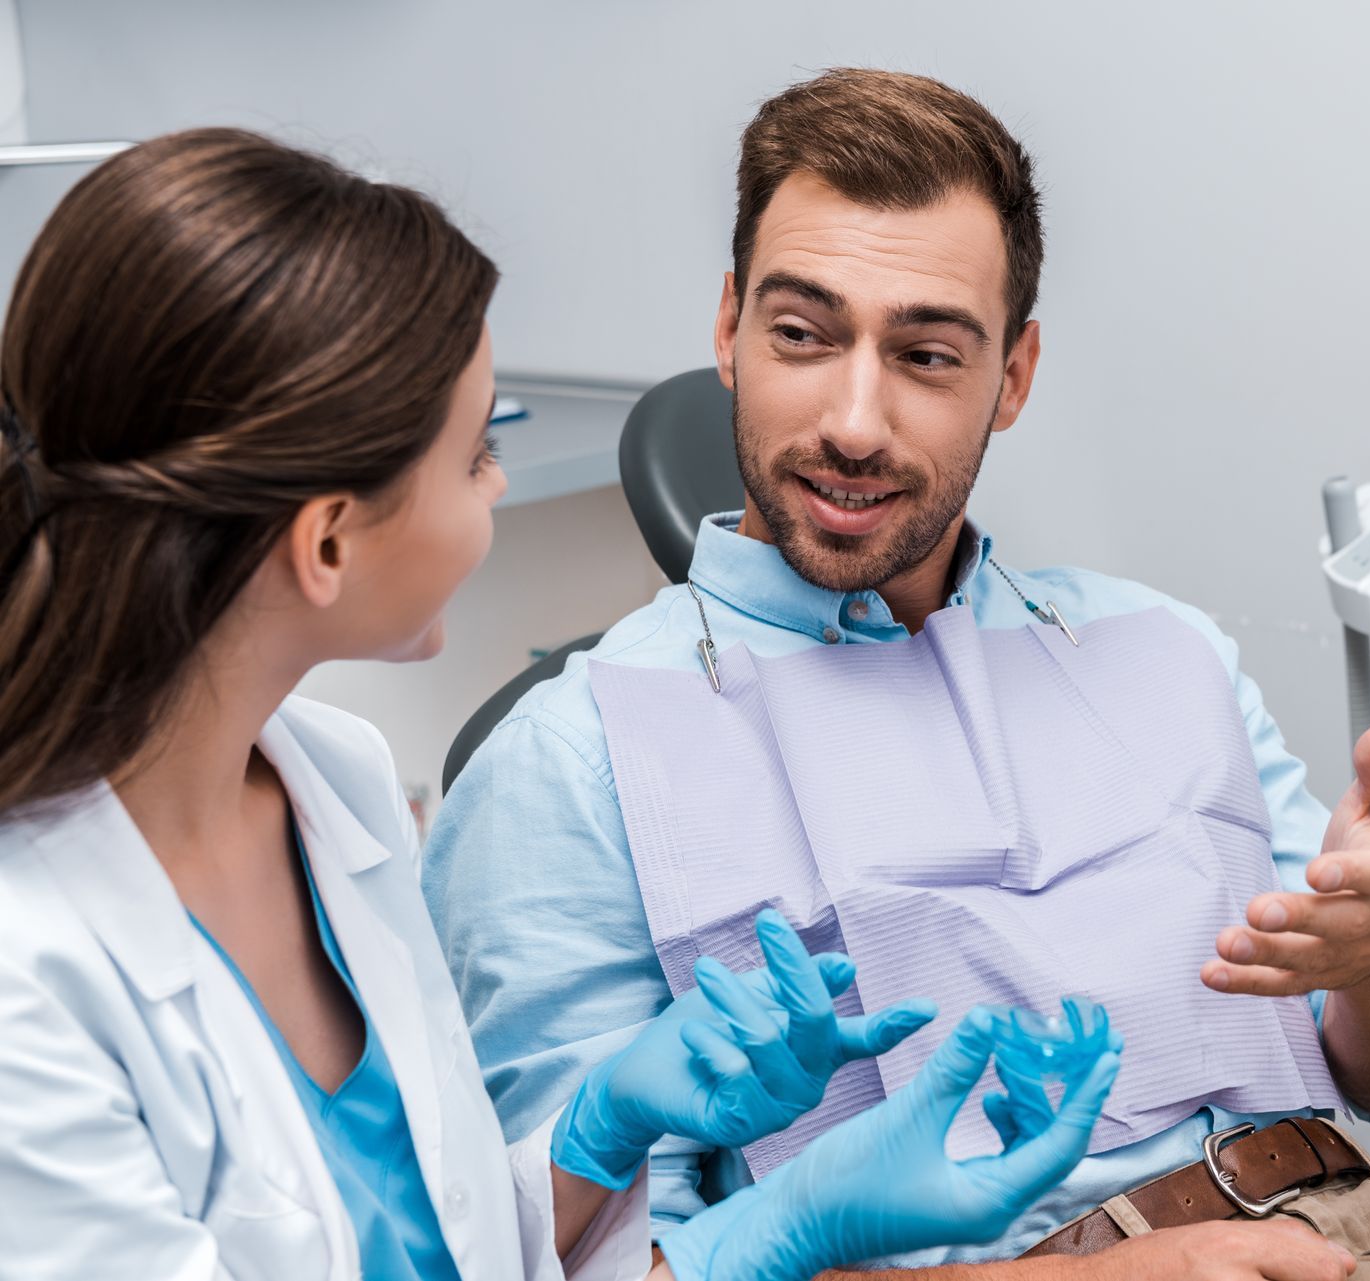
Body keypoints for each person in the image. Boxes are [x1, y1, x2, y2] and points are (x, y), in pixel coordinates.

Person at [427, 69, 1370, 1280]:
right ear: (729, 331)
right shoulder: (578, 758)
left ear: (1011, 378)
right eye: (803, 334)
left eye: (927, 356)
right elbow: (559, 1261)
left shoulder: (1159, 651)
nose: (855, 420)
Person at [0, 128, 1121, 1281]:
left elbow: (447, 1251)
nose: (496, 484)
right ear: (329, 541)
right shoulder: (26, 990)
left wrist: (600, 1136)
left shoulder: (329, 788)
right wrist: (765, 1240)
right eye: (477, 451)